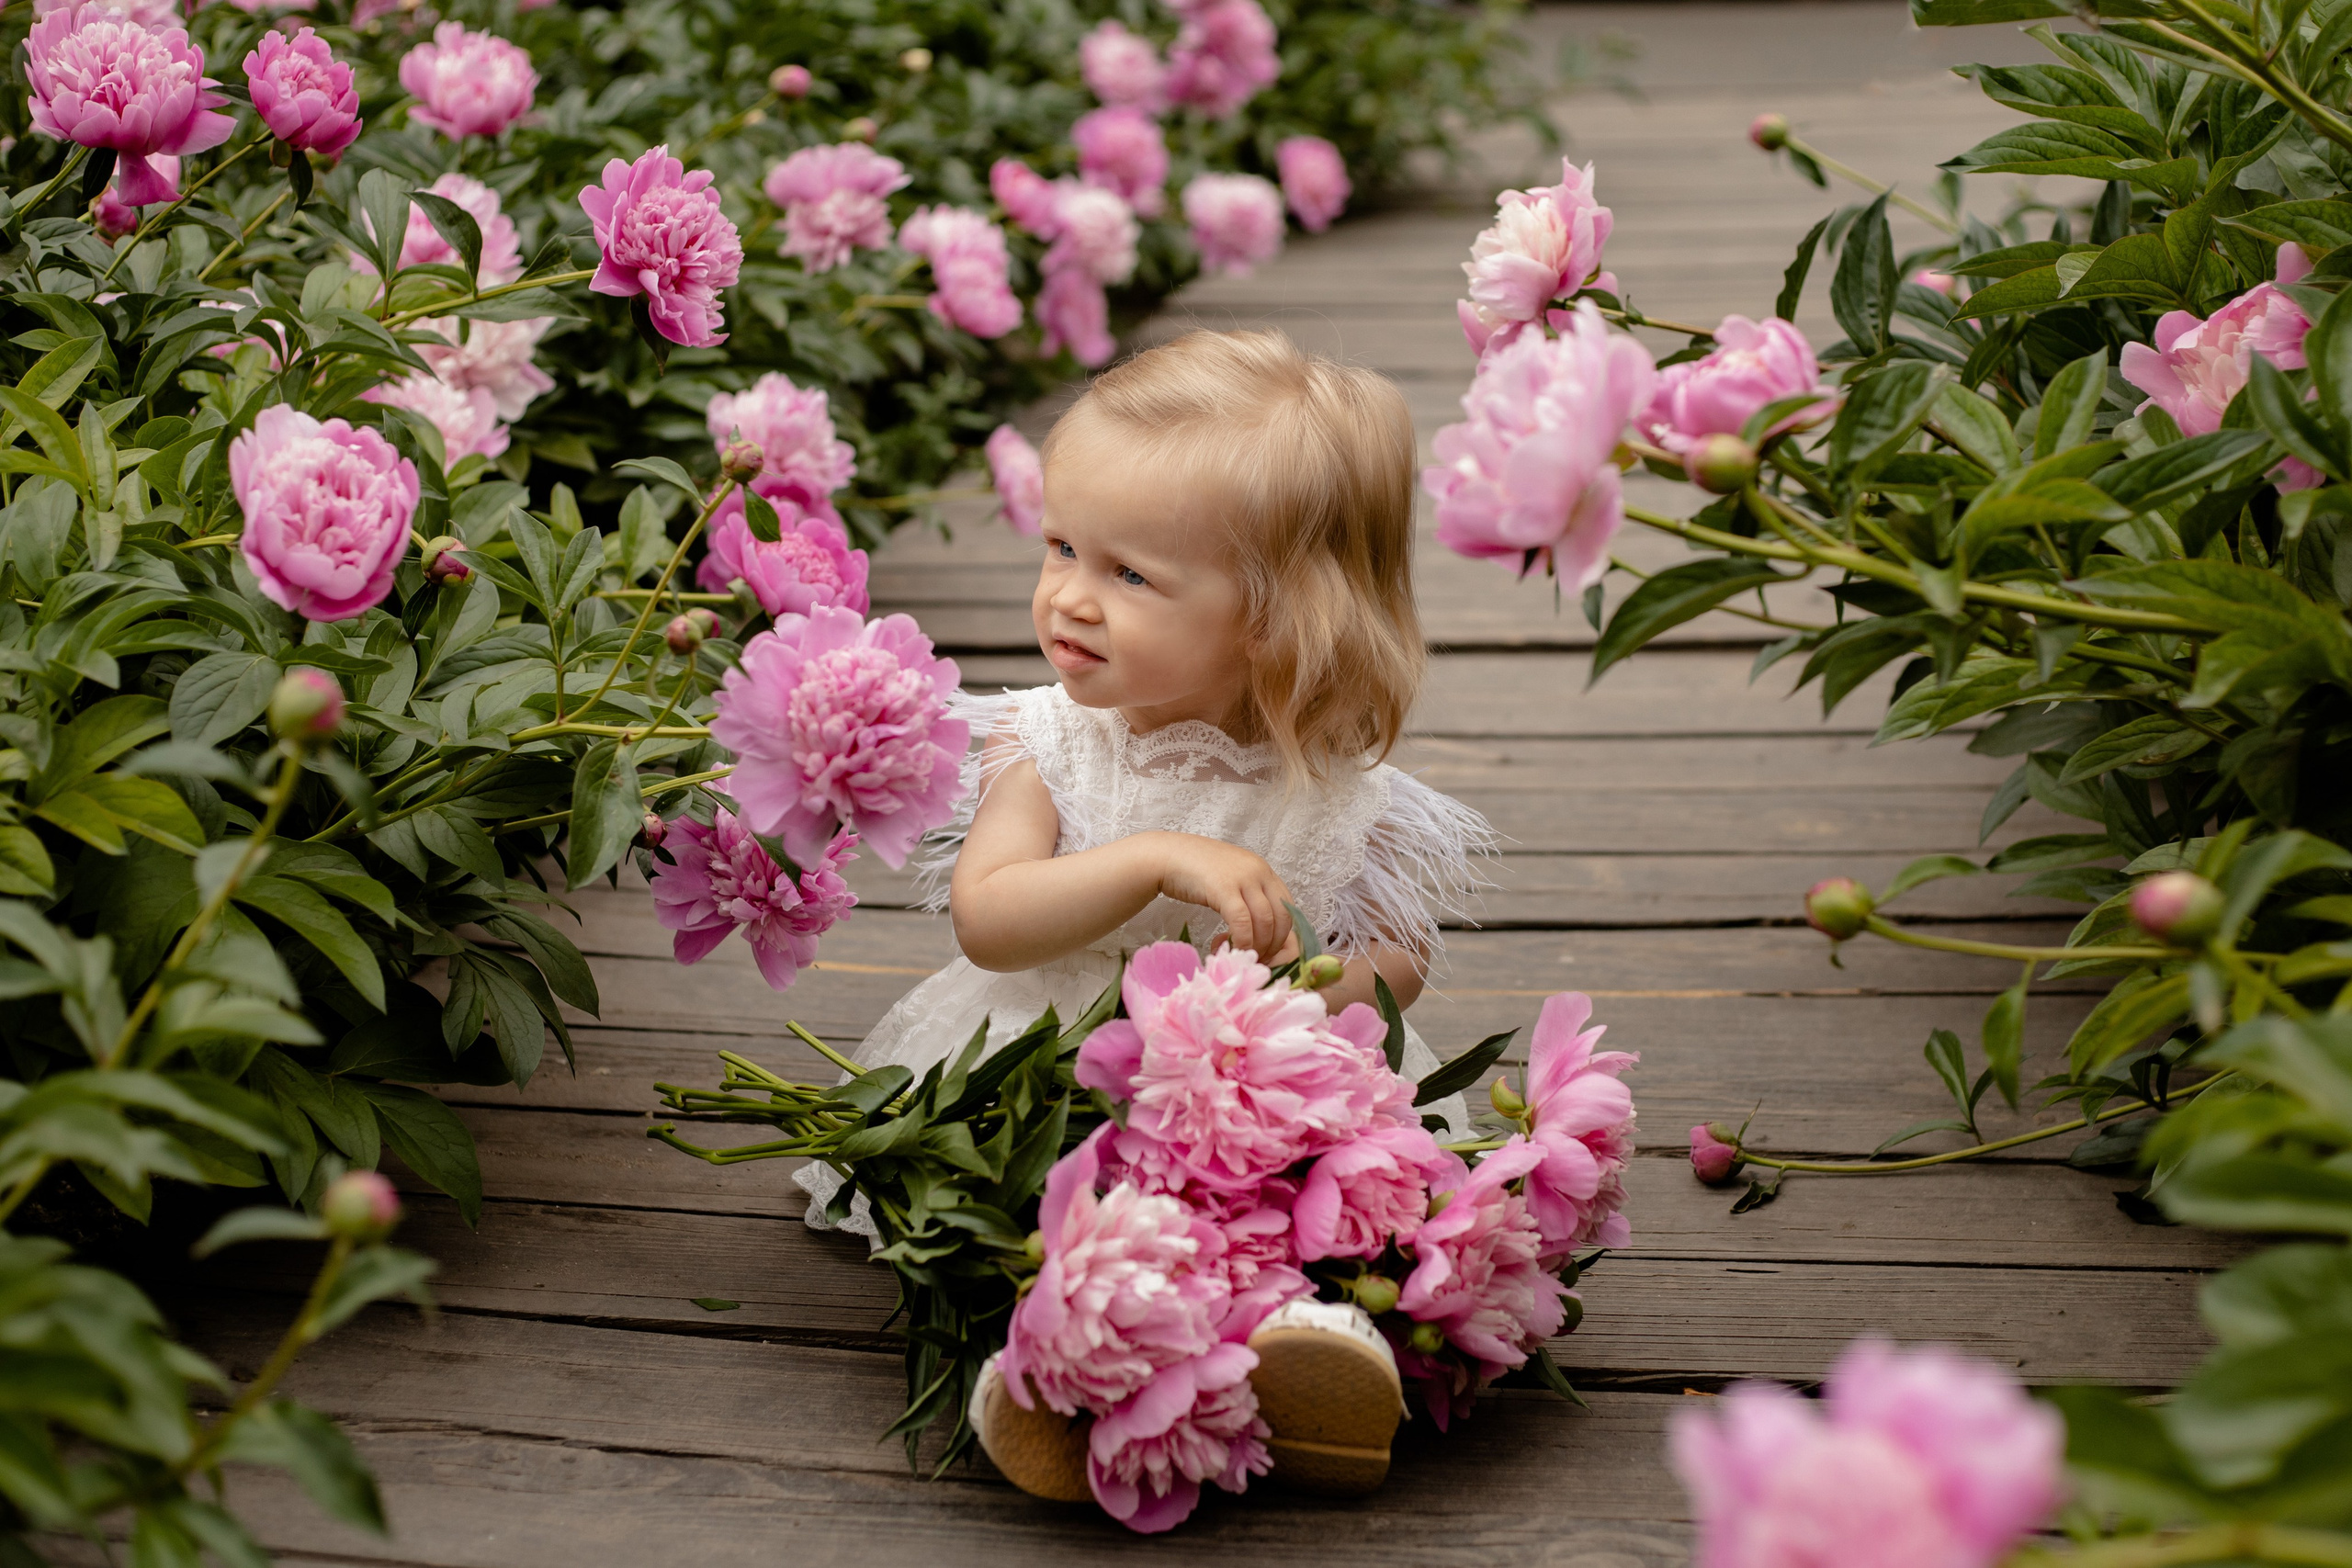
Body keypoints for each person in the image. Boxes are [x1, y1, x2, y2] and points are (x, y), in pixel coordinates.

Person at [793, 329, 1496, 1499]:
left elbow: (1395, 961)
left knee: (1291, 1213)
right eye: (1062, 546)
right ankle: (1040, 1371)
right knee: (1039, 1213)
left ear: (1275, 617)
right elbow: (990, 917)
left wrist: (1298, 1009)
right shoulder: (1047, 742)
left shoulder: (1340, 796)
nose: (1068, 596)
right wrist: (1150, 858)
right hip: (1049, 1072)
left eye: (1129, 575)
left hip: (1247, 1100)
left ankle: (1313, 1347)